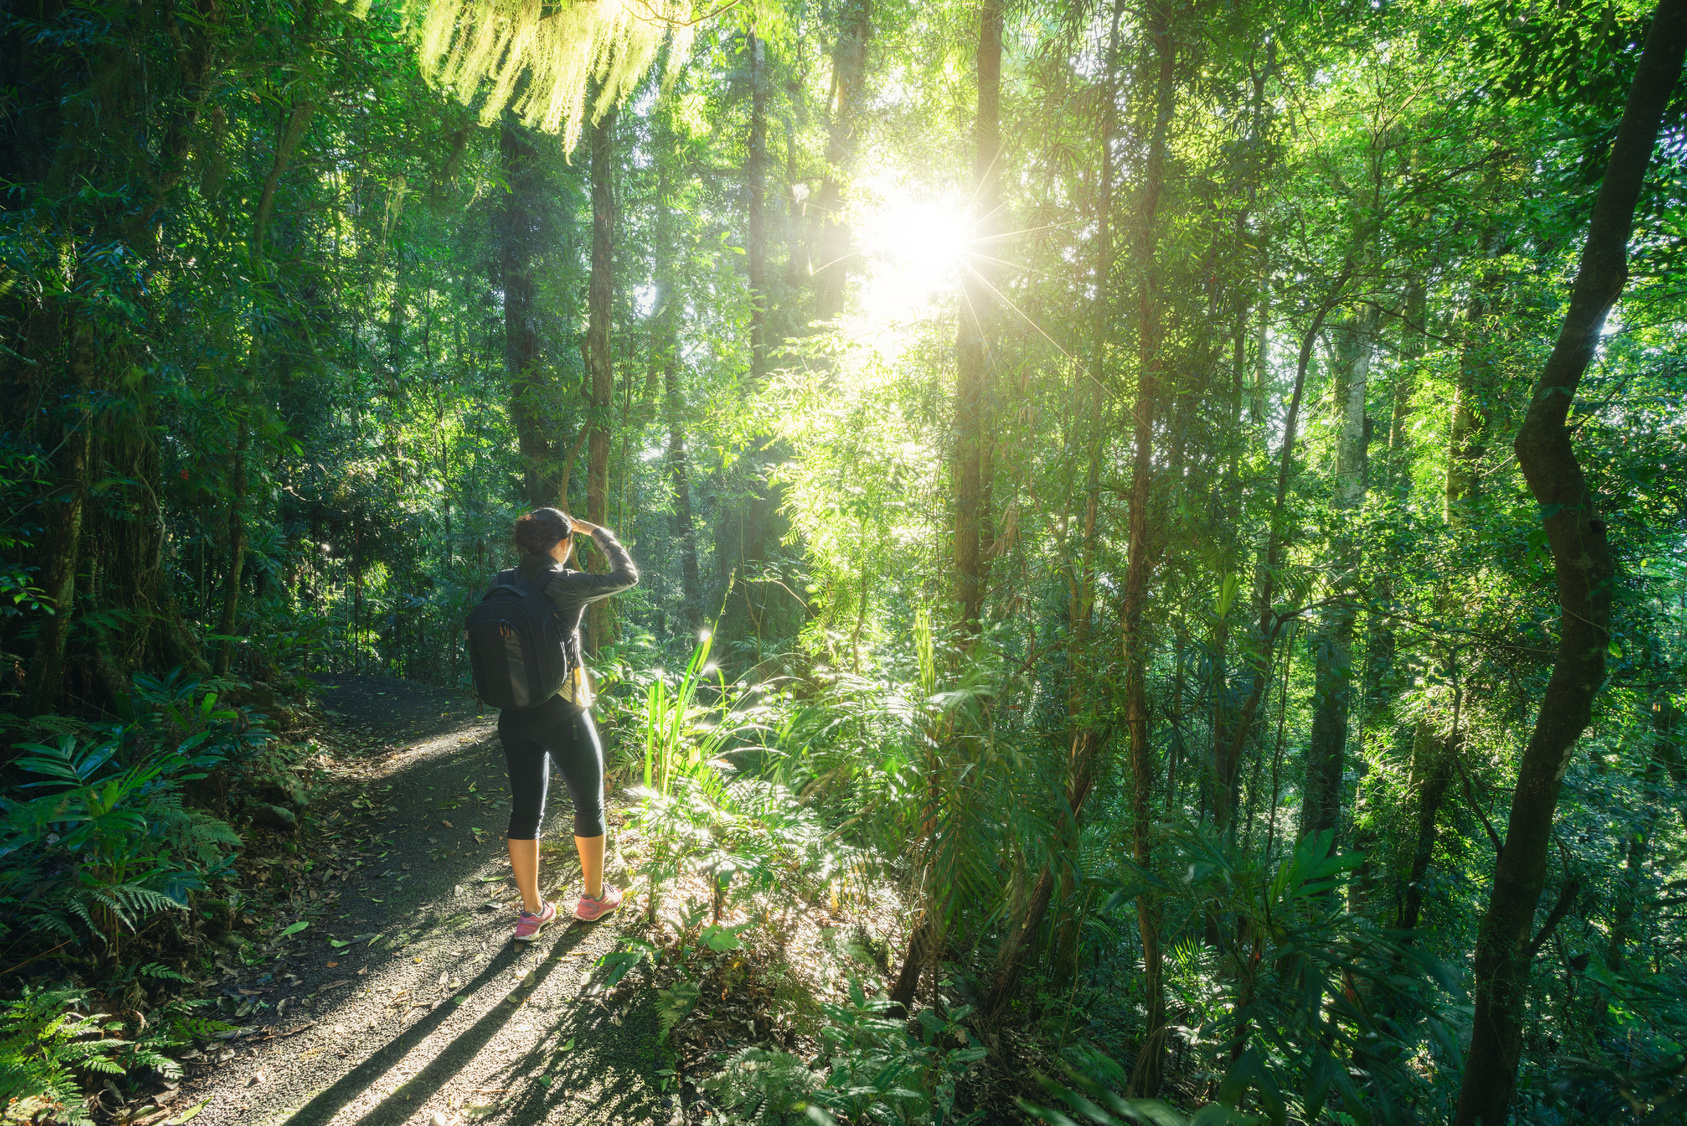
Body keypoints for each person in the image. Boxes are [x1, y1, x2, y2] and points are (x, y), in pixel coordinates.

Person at [496, 506, 638, 941]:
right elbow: (627, 575)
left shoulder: (501, 582)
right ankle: (593, 899)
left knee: (525, 813)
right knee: (588, 805)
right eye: (570, 539)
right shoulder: (565, 582)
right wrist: (597, 530)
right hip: (564, 711)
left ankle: (531, 913)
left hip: (514, 714)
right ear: (563, 543)